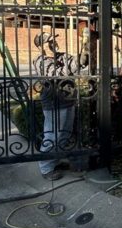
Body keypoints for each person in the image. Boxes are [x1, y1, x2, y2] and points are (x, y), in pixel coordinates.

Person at [33, 30, 85, 180]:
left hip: (68, 99)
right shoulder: (40, 60)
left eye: (53, 40)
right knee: (53, 135)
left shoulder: (62, 56)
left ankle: (54, 160)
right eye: (48, 41)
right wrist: (77, 64)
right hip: (54, 102)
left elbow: (75, 63)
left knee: (65, 134)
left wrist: (83, 55)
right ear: (40, 46)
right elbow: (57, 74)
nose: (53, 43)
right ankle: (46, 168)